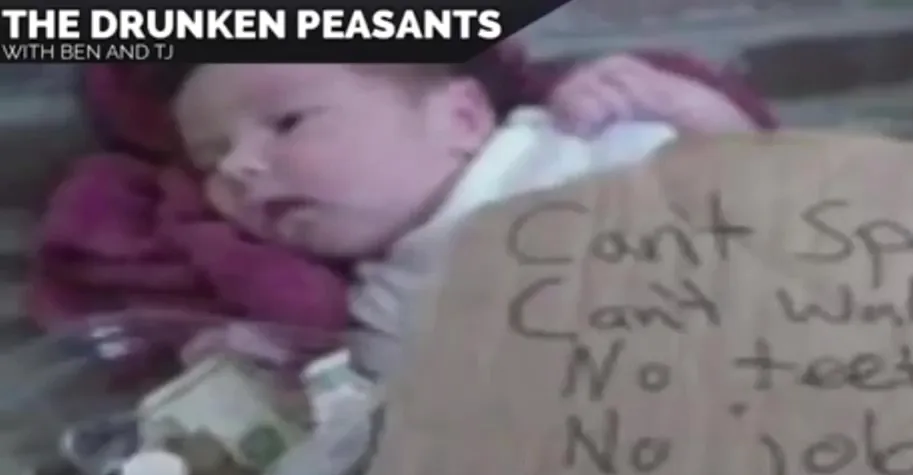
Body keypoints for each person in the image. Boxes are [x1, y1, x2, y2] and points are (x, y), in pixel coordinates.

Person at [165, 58, 770, 377]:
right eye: (210, 160)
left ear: (461, 118)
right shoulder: (383, 303)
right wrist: (281, 372)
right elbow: (393, 424)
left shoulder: (569, 144)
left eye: (287, 122)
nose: (237, 167)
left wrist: (683, 103)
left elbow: (772, 196)